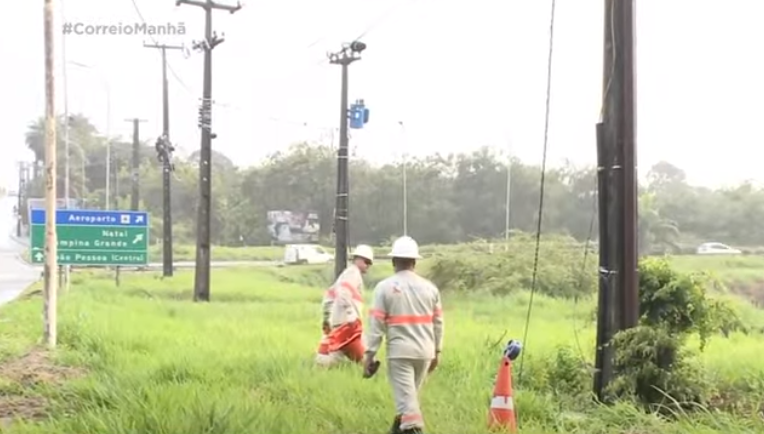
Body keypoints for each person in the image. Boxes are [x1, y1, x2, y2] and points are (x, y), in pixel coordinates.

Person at [364, 236, 444, 434]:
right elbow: (438, 323)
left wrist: (369, 354)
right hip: (425, 353)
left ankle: (413, 430)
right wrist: (437, 351)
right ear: (414, 262)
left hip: (400, 354)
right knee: (408, 402)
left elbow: (376, 325)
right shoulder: (430, 288)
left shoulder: (384, 287)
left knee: (409, 413)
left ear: (393, 262)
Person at [316, 244, 374, 366]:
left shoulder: (345, 275)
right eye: (366, 261)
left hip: (339, 322)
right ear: (357, 259)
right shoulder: (353, 273)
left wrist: (326, 318)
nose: (368, 266)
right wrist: (350, 314)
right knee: (365, 355)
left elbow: (329, 297)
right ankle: (370, 374)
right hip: (349, 324)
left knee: (333, 352)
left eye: (370, 263)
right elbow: (344, 292)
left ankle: (320, 370)